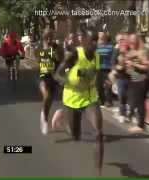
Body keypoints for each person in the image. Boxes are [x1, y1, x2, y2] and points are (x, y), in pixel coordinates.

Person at [55, 29, 104, 175]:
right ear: (84, 40)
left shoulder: (96, 56)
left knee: (98, 133)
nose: (95, 43)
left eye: (97, 40)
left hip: (90, 98)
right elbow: (57, 74)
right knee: (75, 136)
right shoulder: (74, 55)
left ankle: (98, 173)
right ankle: (61, 115)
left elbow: (97, 76)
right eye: (93, 39)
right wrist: (71, 83)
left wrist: (100, 85)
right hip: (71, 99)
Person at [35, 29, 63, 135]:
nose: (49, 39)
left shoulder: (58, 48)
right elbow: (38, 61)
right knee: (47, 96)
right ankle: (45, 120)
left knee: (52, 99)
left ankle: (48, 114)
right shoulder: (39, 47)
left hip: (55, 77)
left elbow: (62, 61)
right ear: (44, 37)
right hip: (43, 77)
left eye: (51, 37)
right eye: (47, 37)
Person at [127, 44, 149, 132]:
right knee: (135, 101)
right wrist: (130, 68)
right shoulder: (133, 54)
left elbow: (146, 67)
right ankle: (139, 121)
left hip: (142, 80)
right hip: (135, 79)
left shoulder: (142, 53)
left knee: (140, 103)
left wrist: (133, 64)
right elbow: (131, 70)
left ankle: (140, 125)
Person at [110, 32, 130, 123]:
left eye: (122, 39)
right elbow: (113, 63)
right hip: (121, 76)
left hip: (131, 76)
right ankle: (122, 114)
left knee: (131, 96)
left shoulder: (131, 48)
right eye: (118, 40)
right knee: (122, 96)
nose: (120, 41)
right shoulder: (116, 50)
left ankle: (129, 113)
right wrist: (116, 68)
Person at [97, 31, 114, 107]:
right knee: (99, 85)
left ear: (106, 37)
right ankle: (101, 100)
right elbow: (96, 58)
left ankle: (108, 101)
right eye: (100, 36)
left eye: (102, 36)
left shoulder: (110, 47)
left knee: (107, 86)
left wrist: (113, 68)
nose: (101, 37)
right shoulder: (97, 47)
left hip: (108, 68)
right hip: (99, 69)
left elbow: (113, 58)